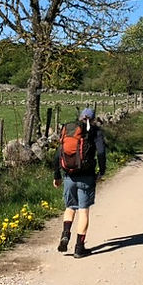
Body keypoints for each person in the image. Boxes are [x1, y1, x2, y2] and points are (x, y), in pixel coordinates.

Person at [53, 108, 107, 258]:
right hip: (87, 177)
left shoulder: (70, 131)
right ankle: (79, 248)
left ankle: (65, 235)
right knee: (83, 211)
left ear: (80, 117)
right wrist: (101, 171)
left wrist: (57, 175)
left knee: (70, 207)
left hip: (69, 176)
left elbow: (58, 154)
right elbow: (101, 153)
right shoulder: (95, 132)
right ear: (93, 119)